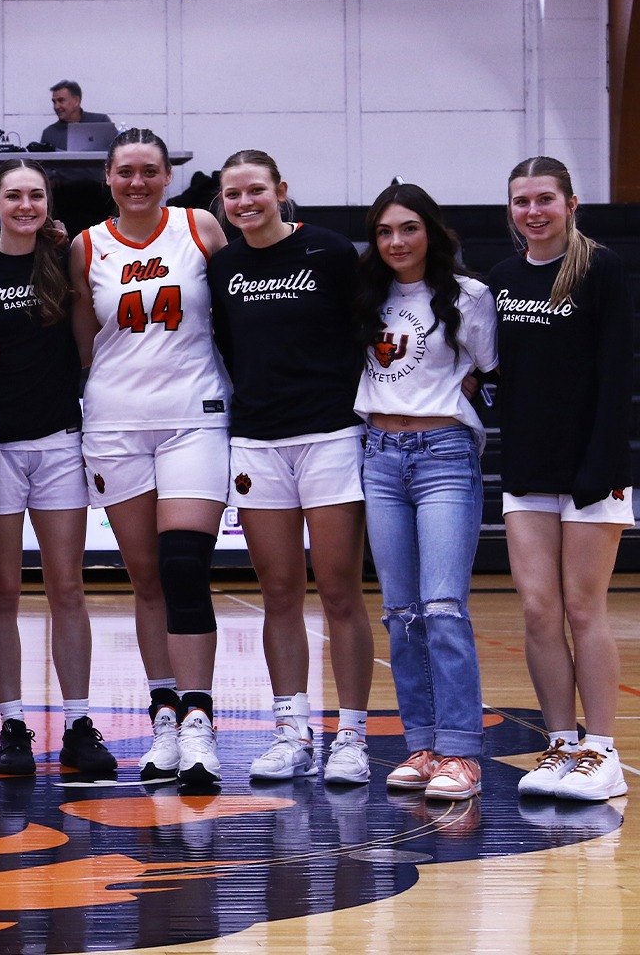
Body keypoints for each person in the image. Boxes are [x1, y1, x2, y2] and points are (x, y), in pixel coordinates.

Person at [207, 150, 373, 785]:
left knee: (338, 590)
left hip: (330, 435)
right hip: (256, 441)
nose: (245, 203)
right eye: (233, 194)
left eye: (256, 190)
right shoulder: (223, 266)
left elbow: (367, 330)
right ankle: (291, 731)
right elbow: (227, 344)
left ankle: (351, 736)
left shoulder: (328, 252)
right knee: (278, 591)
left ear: (281, 189)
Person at [70, 128, 230, 785]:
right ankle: (163, 710)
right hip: (115, 423)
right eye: (125, 172)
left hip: (193, 417)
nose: (137, 182)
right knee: (146, 579)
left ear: (168, 175)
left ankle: (198, 721)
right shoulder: (86, 246)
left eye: (149, 171)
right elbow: (85, 345)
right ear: (108, 178)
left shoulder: (201, 228)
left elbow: (235, 313)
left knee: (184, 564)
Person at [490, 157, 632, 802]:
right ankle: (558, 743)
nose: (533, 212)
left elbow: (615, 376)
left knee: (583, 608)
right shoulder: (503, 277)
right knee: (539, 610)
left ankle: (600, 751)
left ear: (571, 204)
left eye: (544, 199)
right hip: (528, 468)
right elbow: (500, 371)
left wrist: (603, 469)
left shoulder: (601, 271)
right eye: (521, 202)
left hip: (592, 469)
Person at [353, 182, 496, 802]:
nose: (396, 242)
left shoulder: (469, 295)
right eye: (385, 231)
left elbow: (486, 370)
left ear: (431, 232)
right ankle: (423, 745)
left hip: (443, 455)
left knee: (443, 608)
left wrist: (448, 402)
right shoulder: (363, 295)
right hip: (380, 456)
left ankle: (462, 752)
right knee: (400, 613)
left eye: (408, 228)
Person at [0, 159, 117, 779]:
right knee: (3, 592)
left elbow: (91, 343)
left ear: (48, 204)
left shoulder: (65, 263)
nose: (26, 204)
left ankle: (80, 724)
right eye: (14, 195)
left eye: (36, 195)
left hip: (60, 442)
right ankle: (12, 724)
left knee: (66, 588)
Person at [38, 81, 115, 149]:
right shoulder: (50, 133)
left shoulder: (101, 122)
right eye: (54, 102)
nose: (56, 107)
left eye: (61, 100)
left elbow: (116, 153)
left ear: (76, 101)